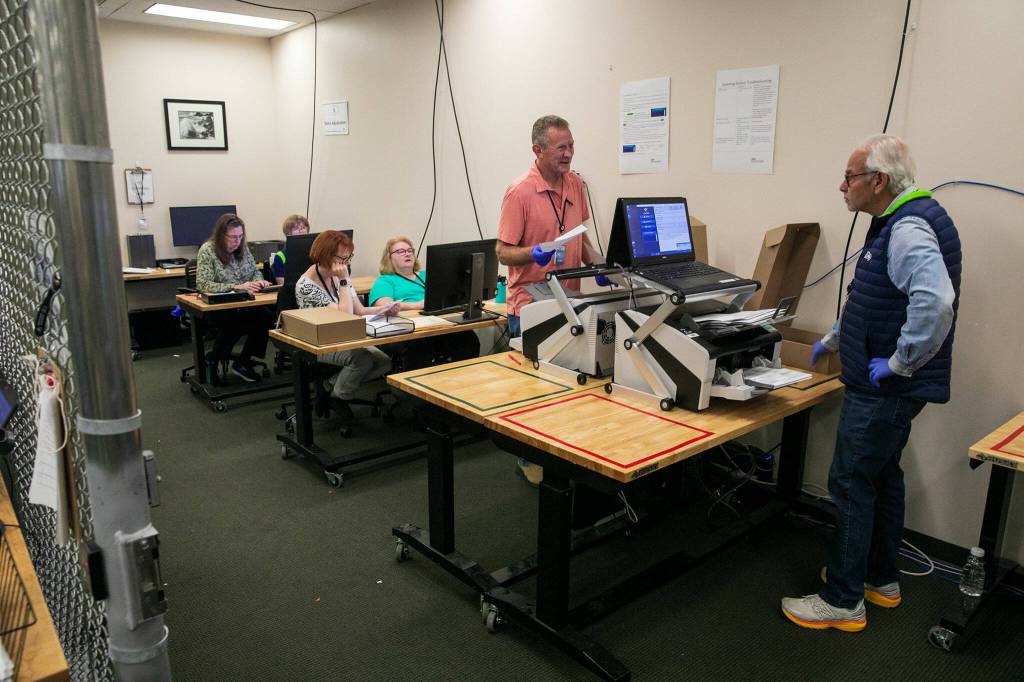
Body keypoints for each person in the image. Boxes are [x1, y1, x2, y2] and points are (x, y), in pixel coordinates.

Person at [781, 134, 961, 632]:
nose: (842, 187)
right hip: (888, 387)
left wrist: (900, 363)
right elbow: (872, 293)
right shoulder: (896, 221)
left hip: (885, 390)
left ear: (877, 181)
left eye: (850, 177)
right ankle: (878, 578)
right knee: (882, 477)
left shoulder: (908, 230)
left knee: (850, 482)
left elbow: (936, 304)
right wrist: (835, 339)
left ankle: (842, 599)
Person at [496, 114, 606, 339]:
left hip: (571, 302)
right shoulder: (519, 192)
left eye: (572, 145)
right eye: (561, 148)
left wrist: (599, 265)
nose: (569, 153)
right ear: (538, 150)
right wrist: (533, 253)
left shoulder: (575, 183)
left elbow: (579, 236)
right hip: (531, 307)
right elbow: (503, 253)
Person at [295, 230, 399, 421]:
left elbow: (358, 310)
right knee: (363, 360)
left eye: (349, 257)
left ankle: (329, 387)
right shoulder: (307, 285)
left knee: (384, 362)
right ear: (326, 255)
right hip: (322, 342)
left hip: (346, 336)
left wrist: (382, 309)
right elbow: (343, 316)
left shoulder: (339, 274)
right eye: (343, 258)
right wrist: (343, 280)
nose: (348, 262)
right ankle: (340, 396)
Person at [369, 236, 479, 369]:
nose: (407, 253)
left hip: (437, 323)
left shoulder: (427, 274)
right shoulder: (385, 280)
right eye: (401, 251)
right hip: (406, 329)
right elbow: (384, 306)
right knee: (420, 347)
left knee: (468, 339)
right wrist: (417, 305)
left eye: (410, 250)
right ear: (389, 258)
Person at [195, 213, 274, 383]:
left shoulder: (243, 249)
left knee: (267, 316)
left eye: (240, 236)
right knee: (235, 321)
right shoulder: (208, 250)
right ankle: (214, 358)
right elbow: (203, 284)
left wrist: (259, 282)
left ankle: (243, 362)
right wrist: (236, 287)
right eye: (232, 237)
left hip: (244, 301)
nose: (237, 241)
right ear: (221, 235)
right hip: (218, 307)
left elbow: (255, 272)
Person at [269, 214, 310, 284]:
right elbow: (281, 283)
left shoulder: (313, 252)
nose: (301, 231)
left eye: (303, 228)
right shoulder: (280, 256)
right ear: (288, 232)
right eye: (296, 229)